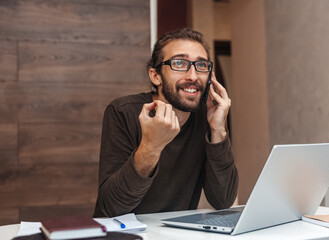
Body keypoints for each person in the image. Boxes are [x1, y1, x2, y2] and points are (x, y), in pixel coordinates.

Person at [93, 28, 238, 218]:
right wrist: (151, 146)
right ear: (156, 76)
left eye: (201, 65)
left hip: (176, 232)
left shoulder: (208, 116)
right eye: (179, 63)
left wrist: (218, 131)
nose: (193, 76)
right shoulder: (123, 112)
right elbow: (110, 208)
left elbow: (223, 200)